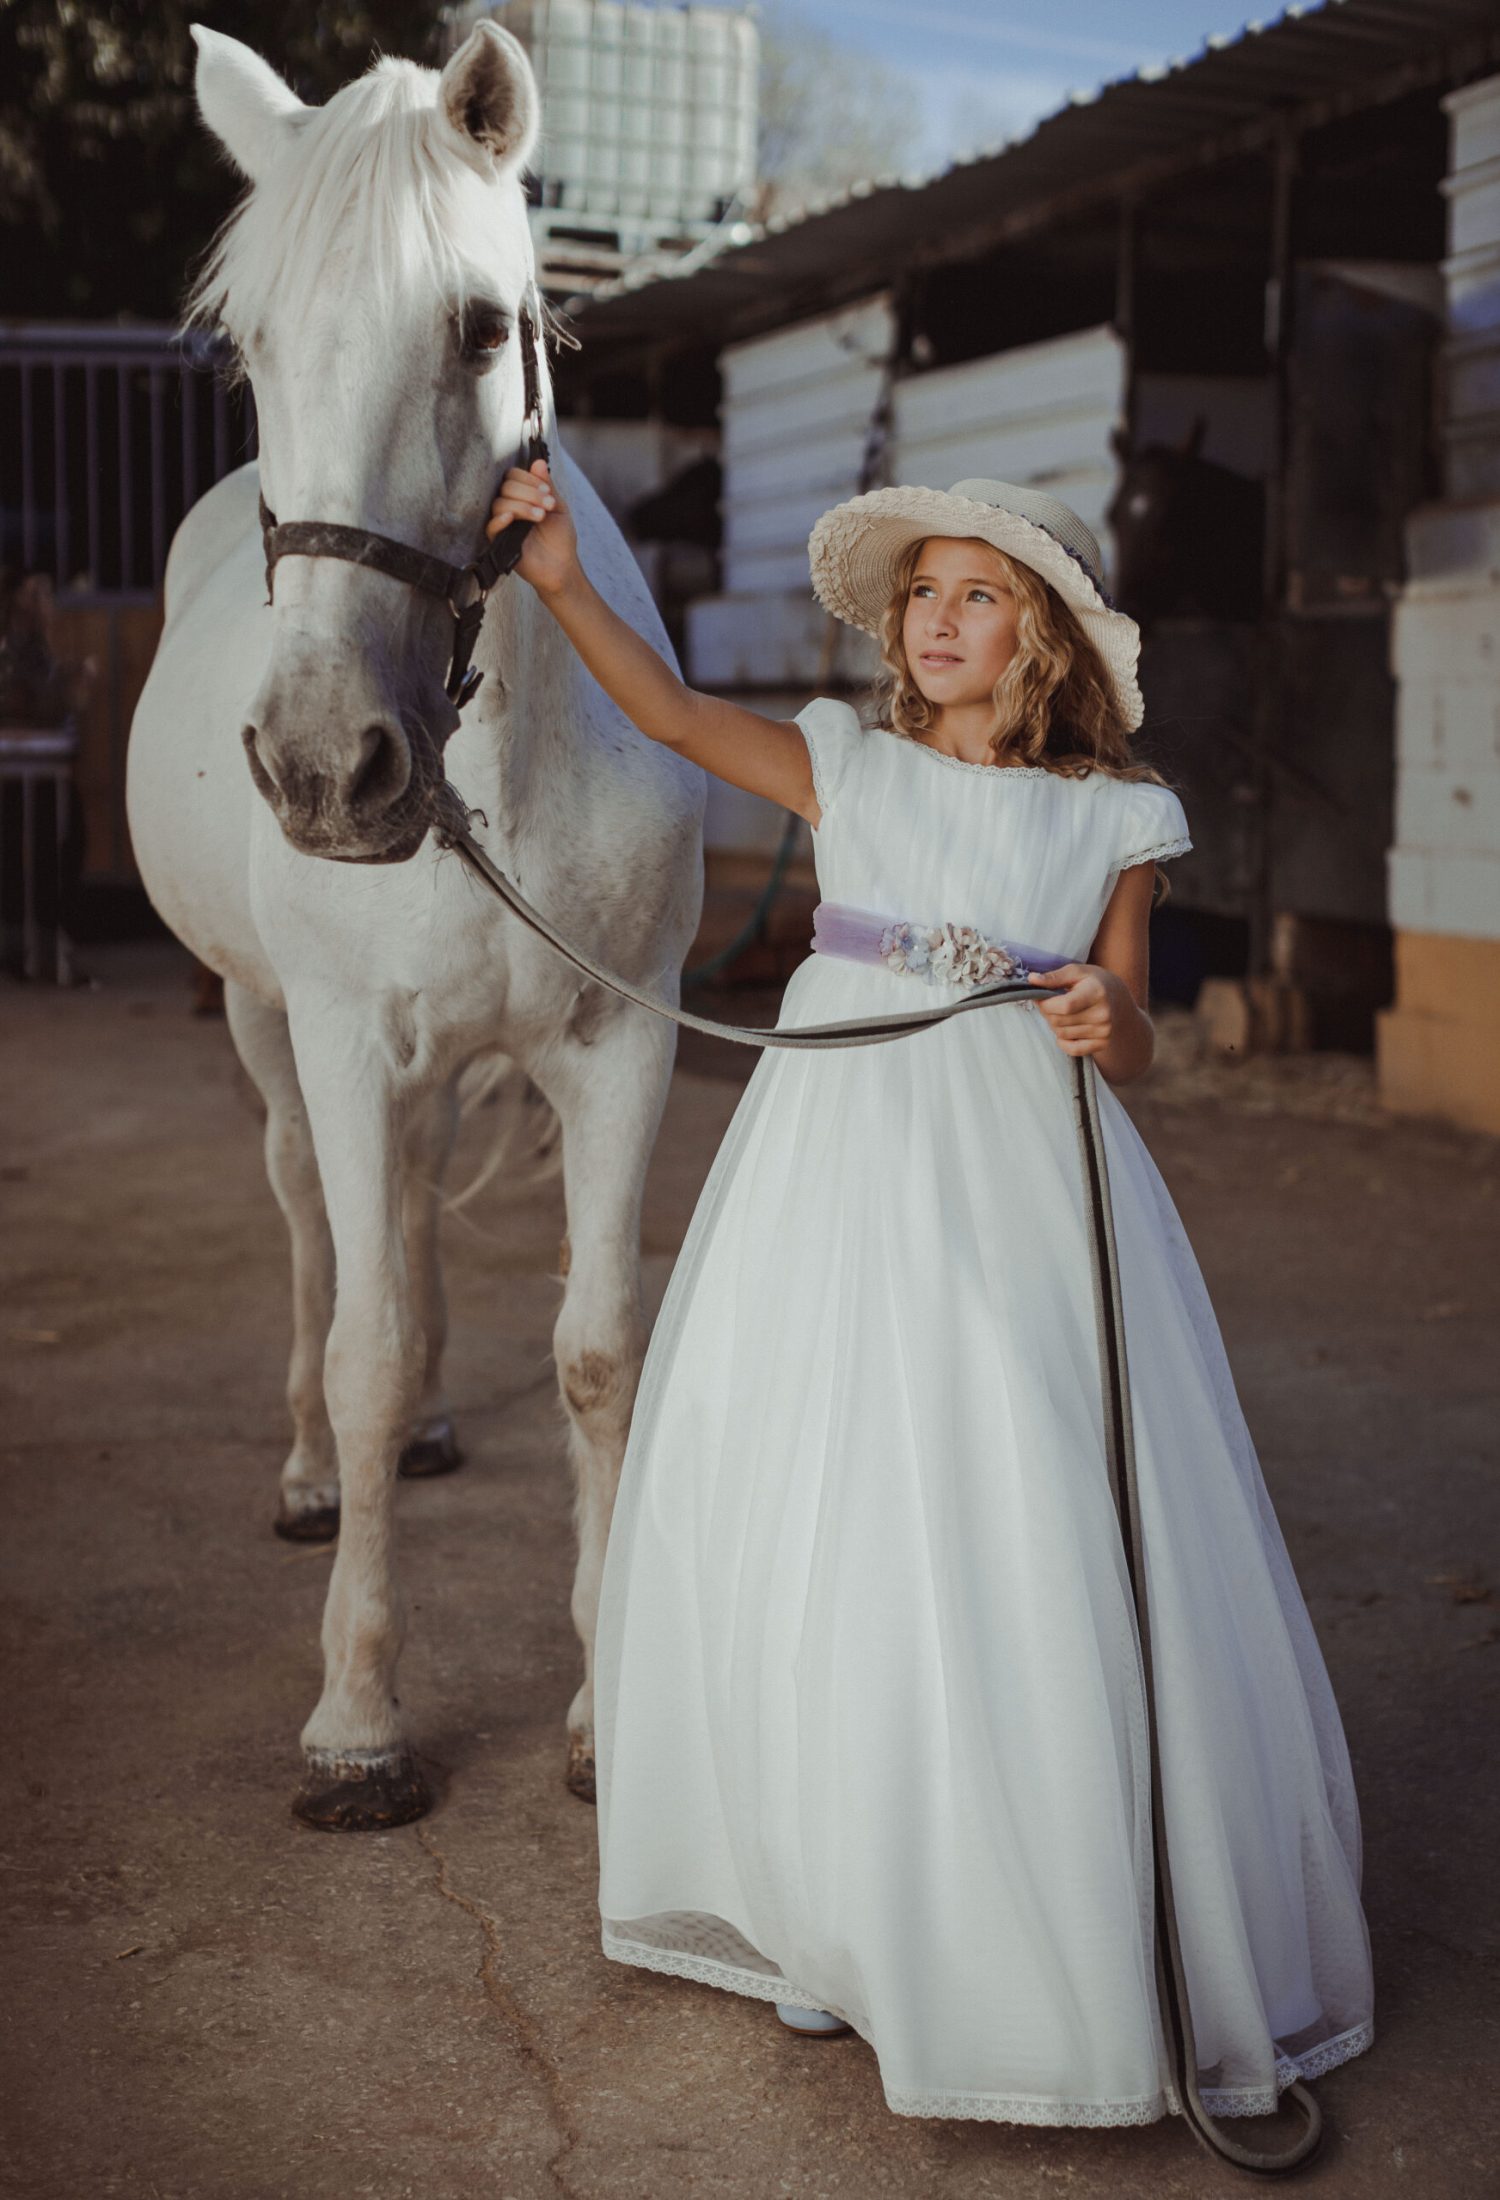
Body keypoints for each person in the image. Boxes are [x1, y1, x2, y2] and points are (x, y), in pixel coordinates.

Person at [484, 462, 1375, 2130]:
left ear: (1039, 634)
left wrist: (1121, 1027)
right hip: (839, 1155)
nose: (938, 620)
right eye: (921, 595)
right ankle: (838, 1910)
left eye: (977, 595)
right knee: (832, 1491)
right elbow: (671, 716)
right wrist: (554, 578)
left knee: (1014, 1495)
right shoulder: (848, 761)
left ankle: (1033, 1928)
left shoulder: (1118, 817)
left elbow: (1128, 1008)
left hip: (1023, 1173)